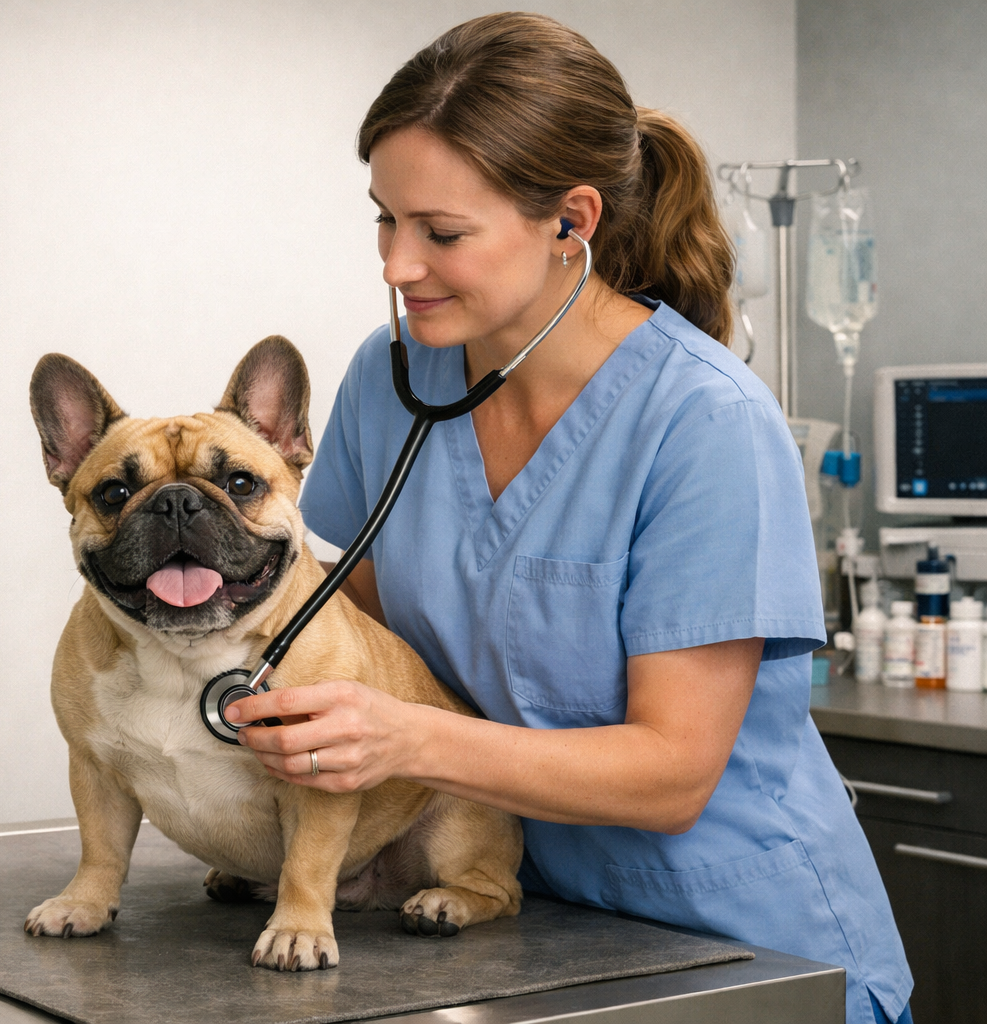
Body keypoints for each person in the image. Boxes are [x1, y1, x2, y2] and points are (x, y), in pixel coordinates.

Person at [224, 13, 911, 1024]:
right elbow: (360, 631)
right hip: (535, 926)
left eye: (441, 233)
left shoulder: (703, 422)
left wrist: (401, 740)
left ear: (569, 222)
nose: (396, 266)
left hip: (750, 947)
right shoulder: (393, 378)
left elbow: (672, 773)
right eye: (384, 219)